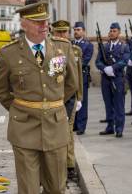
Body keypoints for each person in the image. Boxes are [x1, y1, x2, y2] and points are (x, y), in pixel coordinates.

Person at [0, 1, 78, 194]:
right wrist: (19, 107)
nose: (44, 26)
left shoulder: (62, 48)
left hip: (55, 125)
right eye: (37, 22)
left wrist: (54, 104)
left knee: (56, 186)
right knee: (28, 188)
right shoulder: (9, 53)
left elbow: (72, 84)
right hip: (24, 126)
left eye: (45, 21)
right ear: (24, 24)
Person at [52, 20, 83, 180]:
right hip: (54, 97)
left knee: (68, 131)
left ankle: (70, 166)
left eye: (64, 32)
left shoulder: (75, 50)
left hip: (70, 98)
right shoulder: (52, 51)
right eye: (59, 32)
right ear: (53, 33)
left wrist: (80, 96)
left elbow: (78, 76)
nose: (62, 35)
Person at [96, 22, 130, 137]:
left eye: (114, 31)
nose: (111, 33)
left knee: (119, 104)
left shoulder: (124, 46)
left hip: (118, 78)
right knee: (108, 103)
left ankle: (119, 128)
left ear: (119, 32)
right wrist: (104, 68)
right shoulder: (104, 46)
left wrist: (113, 68)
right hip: (105, 78)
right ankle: (110, 126)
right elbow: (98, 61)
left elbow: (124, 61)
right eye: (110, 31)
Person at [72, 21, 93, 135]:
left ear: (83, 31)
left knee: (82, 101)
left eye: (78, 30)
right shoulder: (70, 43)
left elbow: (85, 60)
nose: (76, 32)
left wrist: (73, 63)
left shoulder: (87, 45)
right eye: (75, 30)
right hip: (71, 77)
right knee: (72, 101)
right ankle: (73, 123)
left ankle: (81, 125)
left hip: (82, 76)